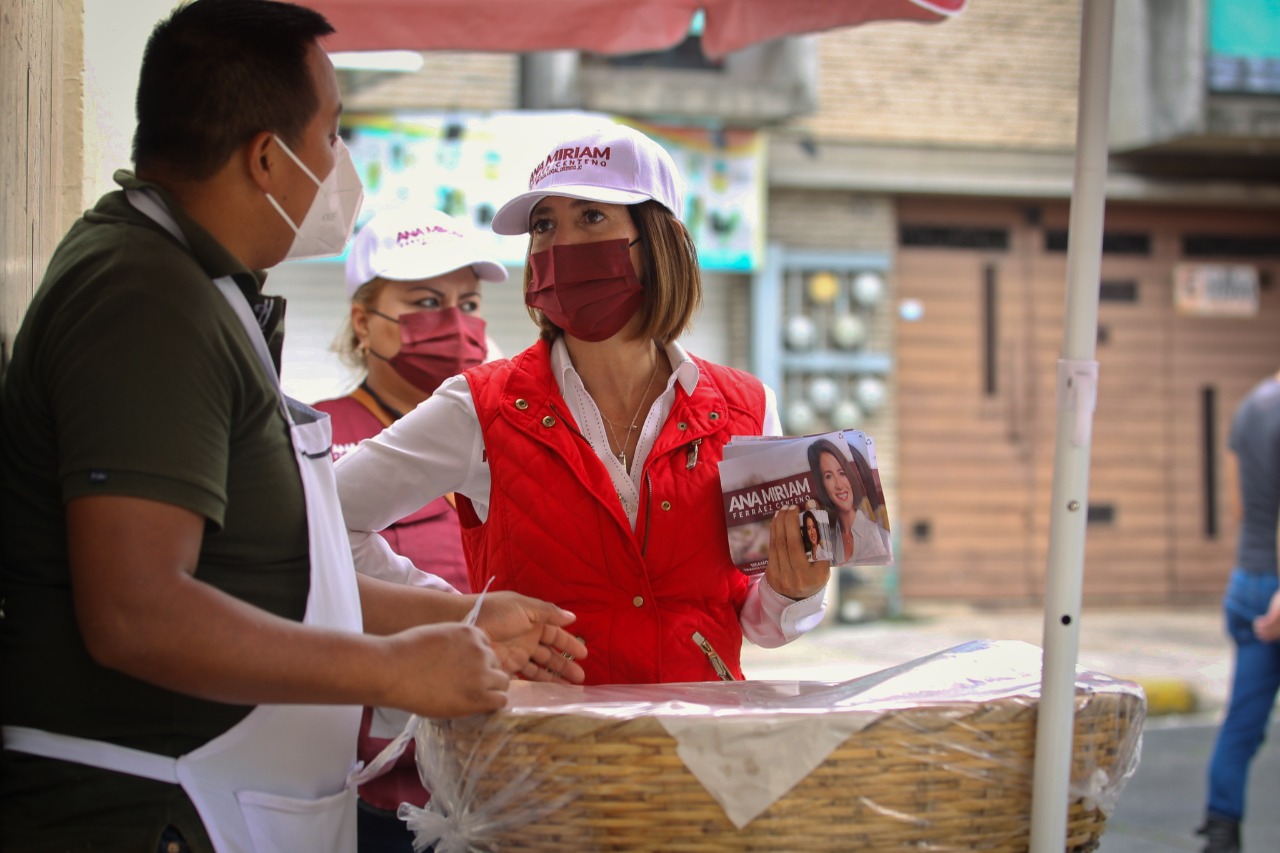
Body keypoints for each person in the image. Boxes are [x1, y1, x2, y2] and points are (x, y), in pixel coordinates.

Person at [0, 3, 585, 852]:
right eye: (333, 132)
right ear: (268, 158)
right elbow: (137, 610)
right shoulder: (143, 298)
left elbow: (262, 581)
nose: (341, 163)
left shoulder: (202, 287)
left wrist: (461, 618)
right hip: (143, 804)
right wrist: (391, 668)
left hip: (214, 800)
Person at [336, 121, 829, 687]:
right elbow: (323, 525)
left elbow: (757, 623)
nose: (561, 244)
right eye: (544, 224)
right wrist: (463, 616)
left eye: (592, 216)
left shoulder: (747, 408)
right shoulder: (478, 406)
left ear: (658, 239)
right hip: (539, 756)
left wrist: (796, 589)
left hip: (698, 756)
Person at [314, 206, 508, 851]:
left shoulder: (508, 435)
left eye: (469, 301)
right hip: (368, 793)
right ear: (364, 322)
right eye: (426, 301)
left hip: (504, 779)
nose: (455, 323)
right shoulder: (313, 441)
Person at [1197, 369, 1280, 853]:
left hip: (1247, 582)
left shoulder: (1250, 406)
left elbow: (1239, 509)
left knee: (1241, 724)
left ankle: (1221, 830)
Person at [807, 437, 891, 565]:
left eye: (842, 473)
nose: (839, 485)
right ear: (821, 484)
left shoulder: (881, 538)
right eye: (828, 476)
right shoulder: (828, 542)